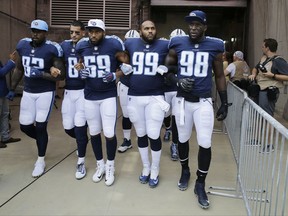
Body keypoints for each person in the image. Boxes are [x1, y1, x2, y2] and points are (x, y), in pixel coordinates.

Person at [166, 10, 228, 209]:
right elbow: (165, 70)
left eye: (197, 24)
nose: (193, 28)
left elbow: (219, 75)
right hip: (183, 102)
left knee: (205, 142)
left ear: (205, 27)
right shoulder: (177, 43)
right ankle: (185, 171)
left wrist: (224, 102)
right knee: (182, 140)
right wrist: (178, 80)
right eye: (190, 24)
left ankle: (200, 183)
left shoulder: (215, 45)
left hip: (203, 102)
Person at [6, 19, 65, 177]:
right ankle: (43, 138)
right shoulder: (23, 45)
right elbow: (19, 68)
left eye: (38, 31)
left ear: (45, 33)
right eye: (33, 30)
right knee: (25, 126)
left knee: (40, 126)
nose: (35, 34)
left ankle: (40, 160)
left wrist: (42, 74)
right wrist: (12, 88)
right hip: (28, 91)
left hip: (45, 92)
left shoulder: (52, 49)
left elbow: (61, 76)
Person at [75, 19, 130, 186]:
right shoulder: (82, 45)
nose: (93, 34)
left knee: (109, 133)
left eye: (97, 31)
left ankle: (110, 165)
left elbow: (128, 65)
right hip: (89, 95)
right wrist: (80, 71)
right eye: (90, 31)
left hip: (107, 95)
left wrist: (115, 75)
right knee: (94, 132)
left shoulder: (113, 44)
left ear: (103, 32)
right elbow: (80, 64)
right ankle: (100, 165)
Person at [125, 20, 170, 188]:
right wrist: (123, 70)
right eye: (146, 28)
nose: (150, 31)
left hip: (155, 97)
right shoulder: (130, 43)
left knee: (153, 134)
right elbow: (117, 56)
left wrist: (167, 67)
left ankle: (155, 169)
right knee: (141, 134)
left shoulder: (164, 44)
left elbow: (176, 57)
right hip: (135, 96)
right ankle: (145, 167)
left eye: (152, 28)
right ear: (140, 30)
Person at [60, 20, 89, 180]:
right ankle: (82, 140)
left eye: (77, 32)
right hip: (68, 91)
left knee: (79, 126)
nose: (74, 35)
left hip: (83, 91)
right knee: (68, 127)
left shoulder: (88, 45)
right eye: (71, 32)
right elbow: (55, 62)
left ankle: (81, 161)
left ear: (83, 32)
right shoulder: (63, 46)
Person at [249, 38, 288, 152]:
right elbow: (255, 68)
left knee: (268, 118)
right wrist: (253, 74)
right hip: (260, 90)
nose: (261, 47)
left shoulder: (279, 61)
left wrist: (273, 75)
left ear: (267, 48)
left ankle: (269, 145)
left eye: (263, 46)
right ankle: (257, 140)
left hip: (269, 91)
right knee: (259, 116)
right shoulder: (264, 58)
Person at [163, 28, 187, 161]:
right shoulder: (165, 51)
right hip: (166, 87)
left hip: (179, 90)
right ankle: (167, 129)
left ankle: (175, 144)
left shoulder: (187, 52)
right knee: (166, 114)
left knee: (177, 118)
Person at [117, 30, 140, 153]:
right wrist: (120, 67)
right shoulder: (120, 52)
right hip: (125, 85)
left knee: (140, 114)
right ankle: (127, 140)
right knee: (126, 114)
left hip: (139, 86)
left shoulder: (142, 51)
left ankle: (143, 137)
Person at [0, 51, 21, 148]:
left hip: (2, 92)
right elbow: (1, 72)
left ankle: (5, 137)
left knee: (5, 114)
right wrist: (11, 61)